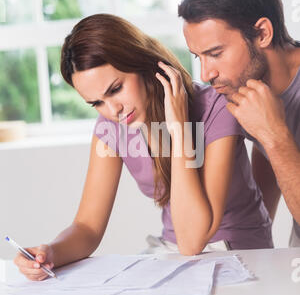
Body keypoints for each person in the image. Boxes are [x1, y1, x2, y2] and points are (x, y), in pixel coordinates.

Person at [14, 14, 272, 281]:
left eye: (115, 89)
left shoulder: (216, 108)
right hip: (173, 253)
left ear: (144, 64)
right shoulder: (112, 126)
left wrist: (179, 129)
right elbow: (88, 227)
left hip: (238, 253)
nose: (112, 110)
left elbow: (193, 240)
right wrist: (50, 253)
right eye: (97, 103)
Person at [178, 0, 300, 246]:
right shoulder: (246, 90)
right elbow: (270, 161)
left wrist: (273, 135)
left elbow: (276, 141)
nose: (206, 74)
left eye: (216, 53)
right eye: (199, 57)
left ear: (262, 33)